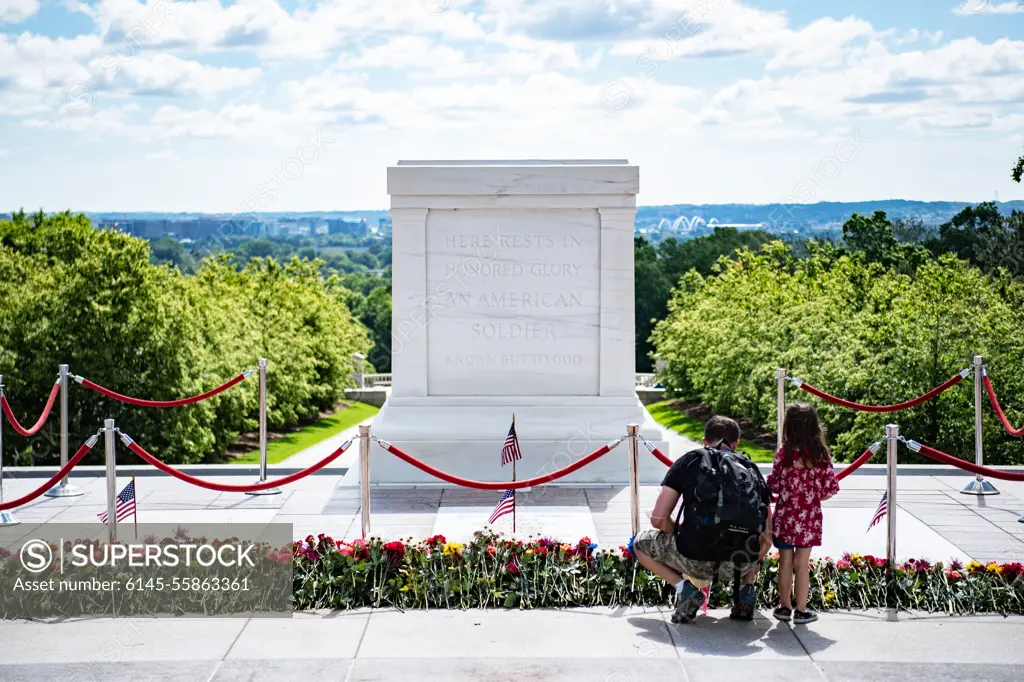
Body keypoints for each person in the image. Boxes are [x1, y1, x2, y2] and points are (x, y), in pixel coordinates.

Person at [633, 416, 773, 623]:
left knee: (640, 543)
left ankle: (686, 590)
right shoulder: (750, 468)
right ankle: (746, 591)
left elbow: (659, 520)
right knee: (750, 538)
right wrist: (755, 557)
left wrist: (677, 531)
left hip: (694, 557)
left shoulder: (690, 461)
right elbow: (767, 532)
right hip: (739, 563)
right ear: (736, 444)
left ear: (704, 440)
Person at [767, 403, 840, 625]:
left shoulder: (784, 453)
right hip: (808, 517)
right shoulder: (819, 454)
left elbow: (775, 485)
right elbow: (829, 488)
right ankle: (801, 610)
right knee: (802, 563)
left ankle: (784, 607)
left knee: (785, 561)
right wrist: (813, 496)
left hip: (786, 514)